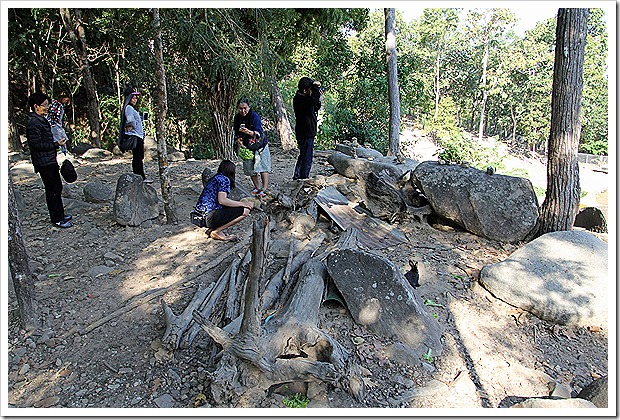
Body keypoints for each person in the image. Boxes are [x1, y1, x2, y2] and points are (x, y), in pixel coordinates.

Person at [26, 92, 72, 228]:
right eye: (45, 105)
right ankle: (57, 218)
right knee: (52, 189)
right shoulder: (33, 123)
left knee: (57, 187)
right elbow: (36, 145)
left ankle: (60, 214)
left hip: (49, 159)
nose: (47, 108)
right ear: (36, 106)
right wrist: (56, 144)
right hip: (43, 162)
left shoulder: (41, 120)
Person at [194, 160, 254, 241]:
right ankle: (216, 231)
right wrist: (243, 204)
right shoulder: (224, 180)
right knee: (245, 211)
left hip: (200, 215)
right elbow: (222, 200)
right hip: (208, 217)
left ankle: (214, 228)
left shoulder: (215, 178)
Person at [233, 98, 271, 197]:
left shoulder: (254, 116)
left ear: (249, 107)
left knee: (263, 167)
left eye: (245, 108)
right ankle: (257, 187)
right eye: (240, 108)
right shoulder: (237, 118)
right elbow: (236, 132)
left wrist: (248, 132)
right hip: (247, 146)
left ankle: (264, 188)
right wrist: (239, 140)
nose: (243, 111)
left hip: (260, 145)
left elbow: (259, 133)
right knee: (250, 168)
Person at [118, 86, 151, 183]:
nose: (135, 99)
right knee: (138, 157)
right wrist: (132, 125)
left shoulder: (131, 108)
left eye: (136, 98)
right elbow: (130, 120)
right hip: (135, 136)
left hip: (138, 135)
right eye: (133, 97)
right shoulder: (128, 108)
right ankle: (140, 177)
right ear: (129, 98)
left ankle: (140, 176)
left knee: (138, 157)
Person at [293, 77, 323, 180]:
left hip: (308, 132)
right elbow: (313, 100)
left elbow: (316, 105)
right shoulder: (300, 99)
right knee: (306, 157)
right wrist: (315, 89)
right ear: (305, 90)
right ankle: (303, 178)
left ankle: (298, 176)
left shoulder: (307, 99)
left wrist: (317, 92)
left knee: (304, 155)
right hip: (304, 133)